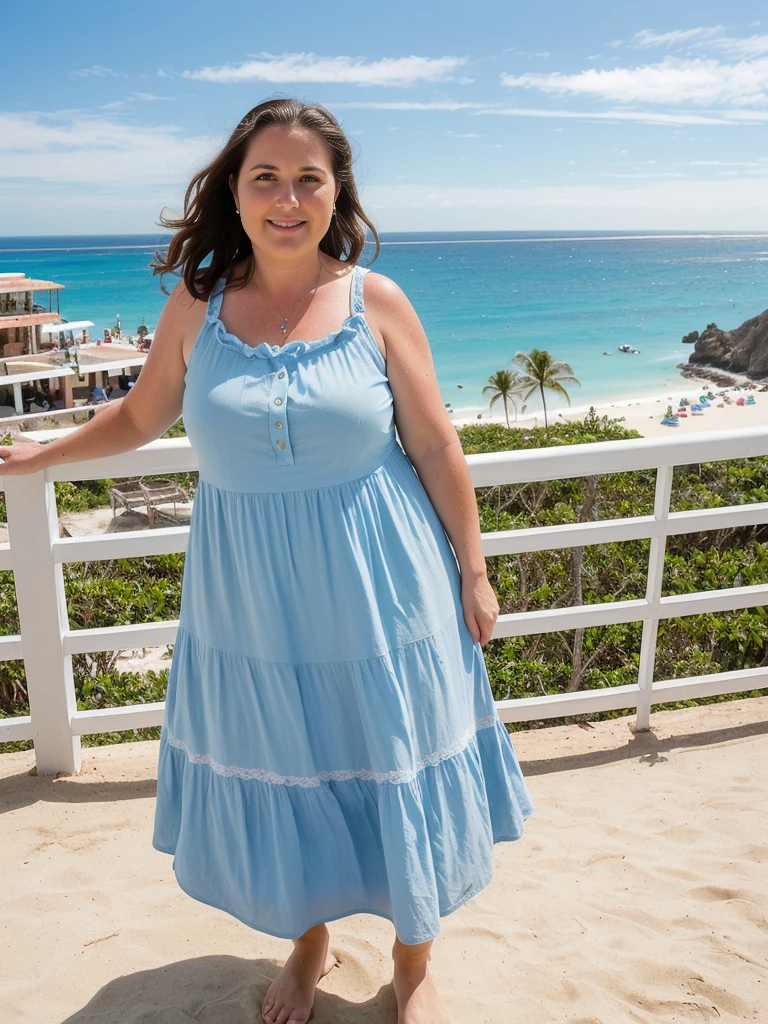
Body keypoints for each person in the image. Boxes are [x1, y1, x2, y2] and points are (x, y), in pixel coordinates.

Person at [0, 98, 534, 1024]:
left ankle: (413, 965)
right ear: (235, 193)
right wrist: (39, 455)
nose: (288, 198)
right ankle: (309, 940)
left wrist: (474, 569)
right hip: (248, 591)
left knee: (386, 754)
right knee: (295, 758)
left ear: (337, 195)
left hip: (382, 583)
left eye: (308, 179)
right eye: (266, 178)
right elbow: (140, 415)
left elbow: (439, 446)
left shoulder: (378, 301)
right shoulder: (197, 304)